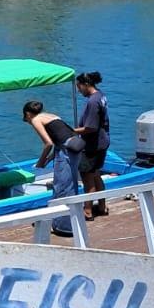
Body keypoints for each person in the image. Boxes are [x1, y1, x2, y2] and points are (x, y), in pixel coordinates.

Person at [21, 98, 83, 236]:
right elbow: (60, 137)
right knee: (69, 184)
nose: (28, 121)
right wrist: (49, 159)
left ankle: (65, 227)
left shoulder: (36, 119)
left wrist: (40, 162)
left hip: (66, 151)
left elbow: (48, 143)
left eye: (26, 118)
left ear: (28, 114)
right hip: (74, 147)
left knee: (62, 187)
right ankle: (59, 222)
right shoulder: (51, 116)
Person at [73, 71, 110, 218]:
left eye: (79, 86)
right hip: (102, 141)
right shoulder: (101, 96)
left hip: (92, 144)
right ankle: (101, 206)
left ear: (86, 84)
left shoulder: (92, 102)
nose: (78, 90)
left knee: (87, 178)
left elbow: (90, 128)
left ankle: (87, 210)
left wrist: (72, 130)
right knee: (96, 175)